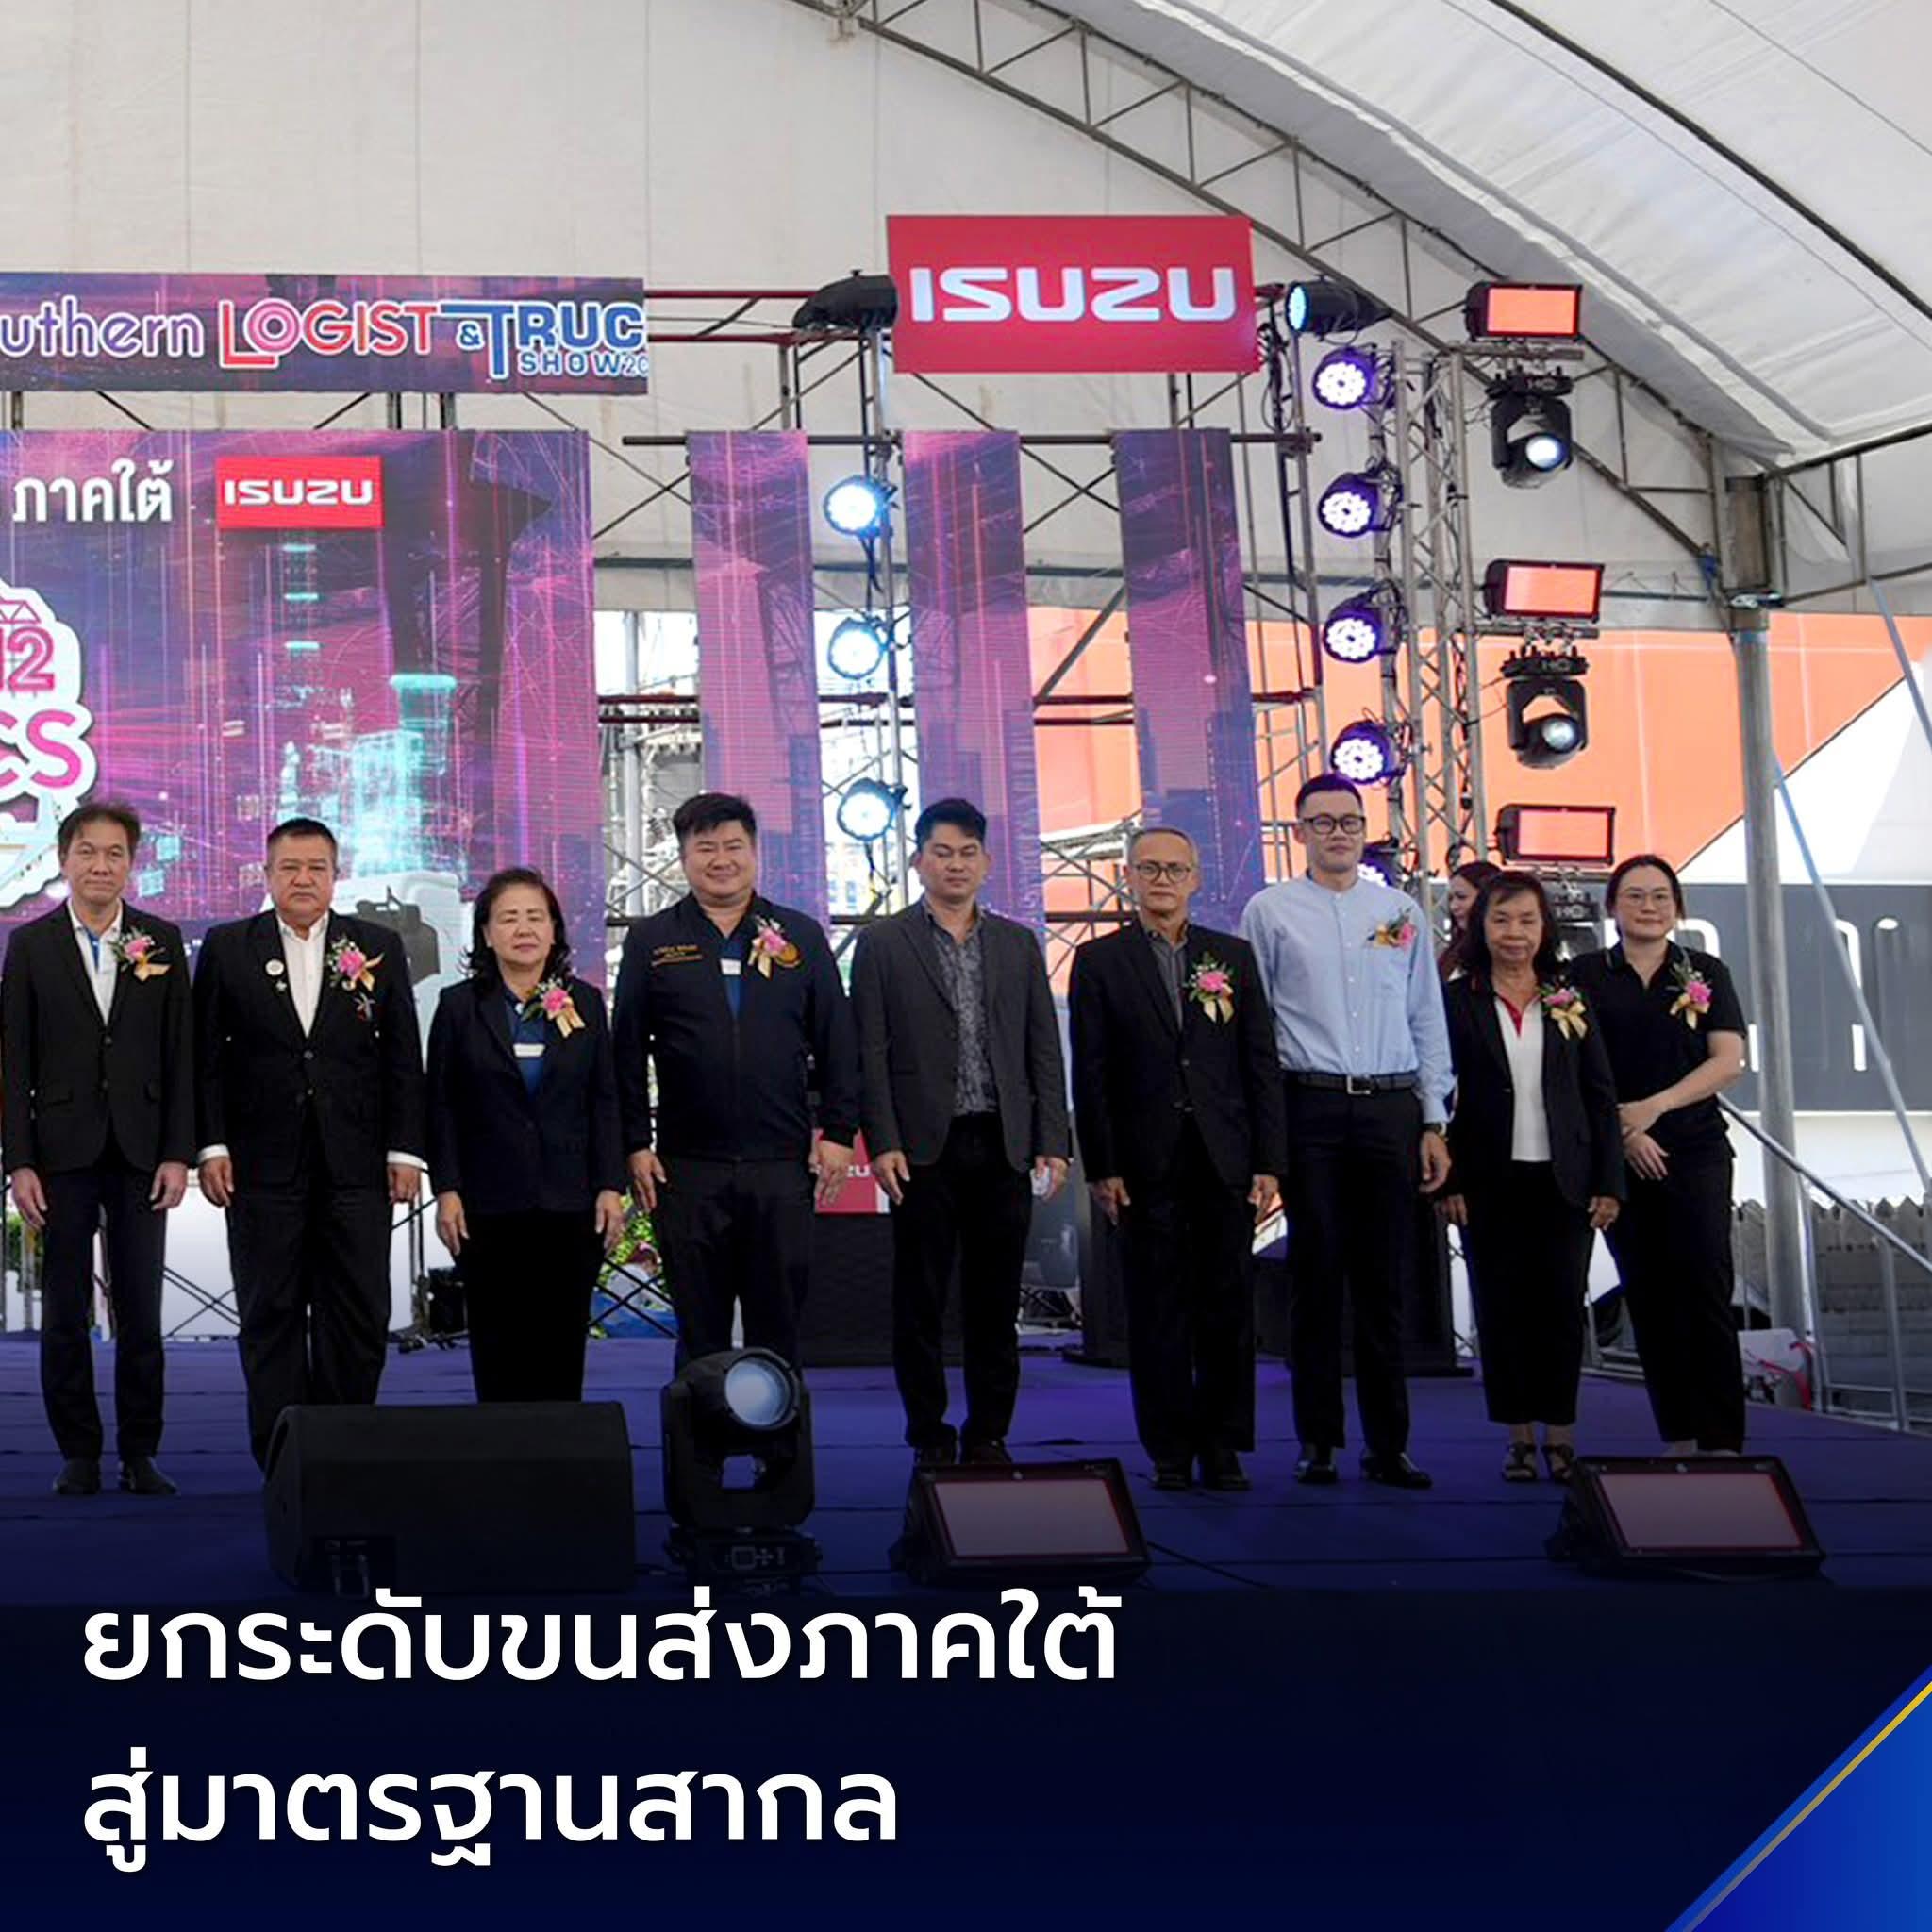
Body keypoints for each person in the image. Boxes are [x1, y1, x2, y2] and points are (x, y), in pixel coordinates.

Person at [1240, 774, 1453, 1489]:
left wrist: (1433, 1117)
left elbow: (1426, 1015)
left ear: (1366, 829)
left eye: (1350, 821)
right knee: (1317, 1274)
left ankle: (1389, 1444)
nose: (1338, 833)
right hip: (1311, 1104)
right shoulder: (1270, 911)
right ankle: (1319, 1439)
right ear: (1300, 832)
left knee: (1385, 1280)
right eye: (1323, 822)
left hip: (1391, 1105)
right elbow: (1256, 1026)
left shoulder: (1398, 910)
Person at [192, 817, 426, 1467]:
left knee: (358, 1310)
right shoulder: (228, 946)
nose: (303, 879)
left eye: (316, 867)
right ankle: (283, 1457)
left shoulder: (376, 945)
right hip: (261, 1165)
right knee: (269, 1311)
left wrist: (405, 1151)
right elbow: (204, 1057)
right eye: (290, 867)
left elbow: (402, 1056)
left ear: (335, 875)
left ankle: (346, 1451)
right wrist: (211, 1146)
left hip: (358, 1164)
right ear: (267, 875)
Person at [851, 798, 1070, 1466]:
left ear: (987, 863)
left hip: (1002, 1142)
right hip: (922, 1147)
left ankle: (988, 1433)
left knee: (995, 1298)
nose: (955, 865)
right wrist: (882, 1139)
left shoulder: (1017, 943)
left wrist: (1053, 1139)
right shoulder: (883, 943)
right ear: (919, 861)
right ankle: (928, 1432)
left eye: (967, 853)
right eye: (942, 853)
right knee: (919, 1298)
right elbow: (870, 1052)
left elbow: (1042, 1047)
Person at [1069, 826, 1285, 1491]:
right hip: (1142, 1162)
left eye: (1174, 869)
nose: (1162, 880)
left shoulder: (1232, 957)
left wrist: (1269, 1160)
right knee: (1156, 1307)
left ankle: (1223, 1445)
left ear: (1195, 878)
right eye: (1149, 869)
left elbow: (1259, 1062)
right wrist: (1102, 1165)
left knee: (1228, 1305)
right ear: (1128, 878)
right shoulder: (1100, 961)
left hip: (1223, 1157)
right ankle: (1168, 1447)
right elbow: (1092, 1074)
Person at [612, 792, 858, 1367]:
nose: (721, 860)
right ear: (683, 857)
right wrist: (635, 1143)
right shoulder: (652, 940)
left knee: (779, 1324)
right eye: (706, 848)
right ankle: (700, 1429)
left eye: (733, 846)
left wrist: (840, 1131)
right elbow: (625, 1050)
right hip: (687, 1168)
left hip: (782, 1165)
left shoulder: (800, 935)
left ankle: (781, 1428)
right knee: (701, 1329)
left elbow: (838, 1041)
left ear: (755, 852)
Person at [1, 802, 193, 1497]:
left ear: (131, 864)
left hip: (142, 1152)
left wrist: (178, 1152)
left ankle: (140, 1453)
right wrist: (20, 1161)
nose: (101, 866)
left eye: (115, 854)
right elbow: (14, 1060)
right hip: (61, 1153)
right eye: (87, 852)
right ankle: (78, 1453)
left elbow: (181, 1055)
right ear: (63, 859)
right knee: (64, 1310)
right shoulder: (31, 945)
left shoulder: (160, 940)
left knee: (141, 1310)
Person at [1439, 872, 1624, 1482]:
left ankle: (1561, 1435)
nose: (1513, 933)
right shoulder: (1458, 1000)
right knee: (1501, 1310)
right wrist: (1449, 1181)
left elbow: (1599, 1092)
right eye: (1501, 920)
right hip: (1487, 1180)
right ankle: (1518, 1437)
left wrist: (1609, 1181)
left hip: (1564, 1179)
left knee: (1561, 1309)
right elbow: (1438, 1095)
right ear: (1480, 926)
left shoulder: (1568, 995)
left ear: (1544, 928)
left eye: (1526, 920)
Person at [426, 869, 628, 1402]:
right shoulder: (458, 1006)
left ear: (555, 930)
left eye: (536, 917)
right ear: (486, 933)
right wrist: (446, 1189)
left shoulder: (585, 1002)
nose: (524, 929)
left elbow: (605, 1099)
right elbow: (440, 1105)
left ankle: (558, 1446)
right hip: (486, 1203)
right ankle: (502, 1446)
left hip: (570, 1201)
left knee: (561, 1341)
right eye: (509, 918)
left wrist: (610, 1185)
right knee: (498, 1342)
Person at [1570, 856, 1749, 1453]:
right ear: (1612, 906)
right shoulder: (1585, 975)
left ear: (1677, 905)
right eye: (1635, 895)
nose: (1649, 906)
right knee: (1648, 1296)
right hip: (1618, 1154)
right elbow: (1574, 1068)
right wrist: (1626, 1131)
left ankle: (1722, 1439)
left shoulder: (1705, 971)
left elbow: (1727, 1062)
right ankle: (1678, 1435)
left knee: (1706, 1288)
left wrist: (1656, 1108)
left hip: (1695, 1149)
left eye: (1660, 896)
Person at [1439, 859, 1501, 981]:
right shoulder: (1454, 952)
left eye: (1461, 897)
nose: (1454, 906)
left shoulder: (1505, 951)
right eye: (1450, 899)